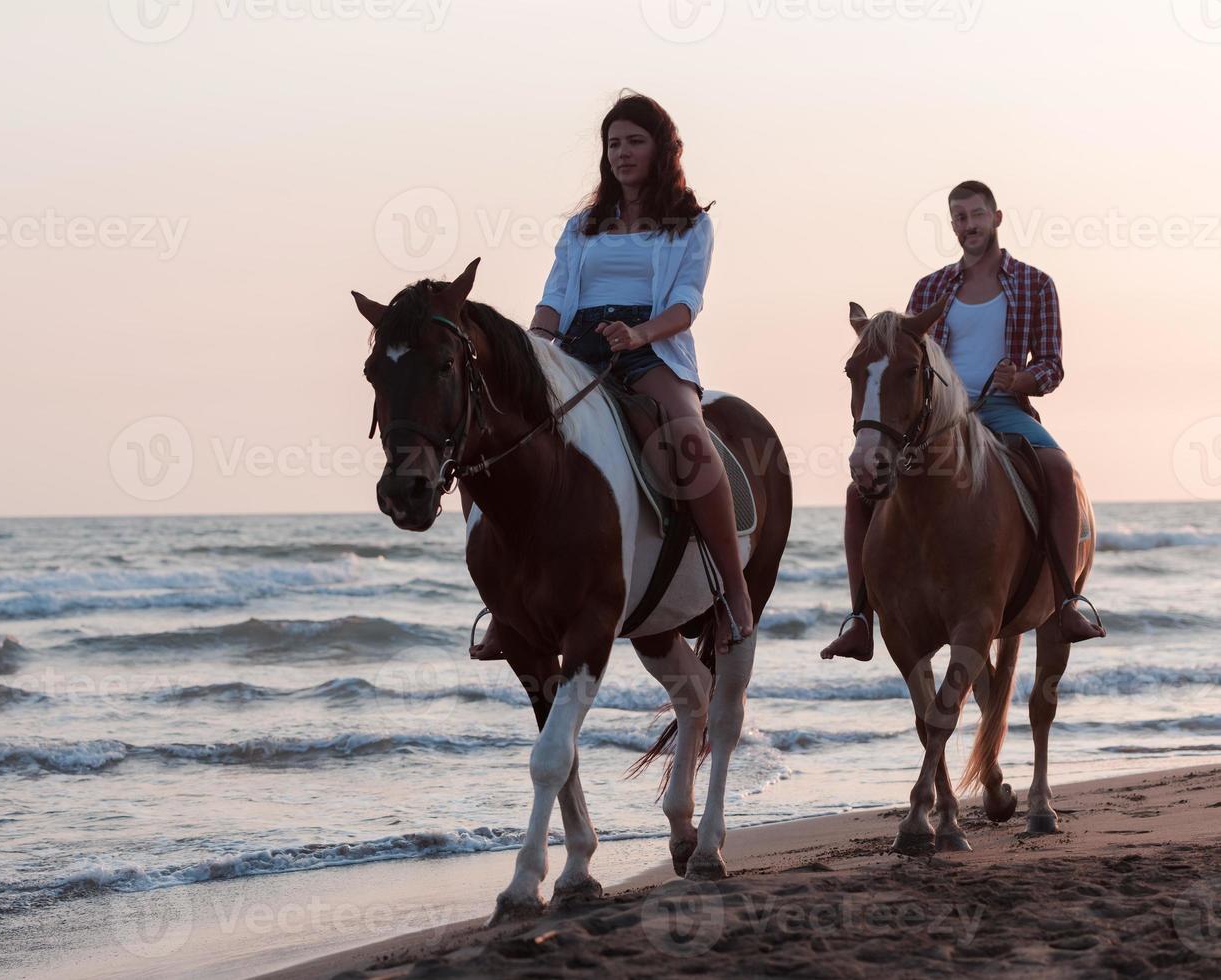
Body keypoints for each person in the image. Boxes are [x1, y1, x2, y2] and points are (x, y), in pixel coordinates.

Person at [467, 91, 752, 660]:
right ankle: (506, 609)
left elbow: (686, 304)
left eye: (634, 141)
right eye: (613, 143)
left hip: (652, 351)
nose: (622, 153)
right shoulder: (582, 226)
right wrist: (534, 347)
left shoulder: (689, 225)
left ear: (661, 149)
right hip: (575, 348)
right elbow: (553, 299)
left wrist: (638, 335)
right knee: (493, 437)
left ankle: (731, 590)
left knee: (690, 439)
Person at [820, 179, 1106, 663]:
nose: (968, 226)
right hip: (936, 420)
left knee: (1058, 469)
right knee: (860, 492)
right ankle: (860, 619)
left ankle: (1065, 602)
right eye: (958, 218)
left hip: (1003, 410)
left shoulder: (1035, 284)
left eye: (975, 215)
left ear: (996, 218)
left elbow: (1053, 364)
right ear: (952, 225)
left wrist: (1022, 381)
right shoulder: (930, 288)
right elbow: (903, 360)